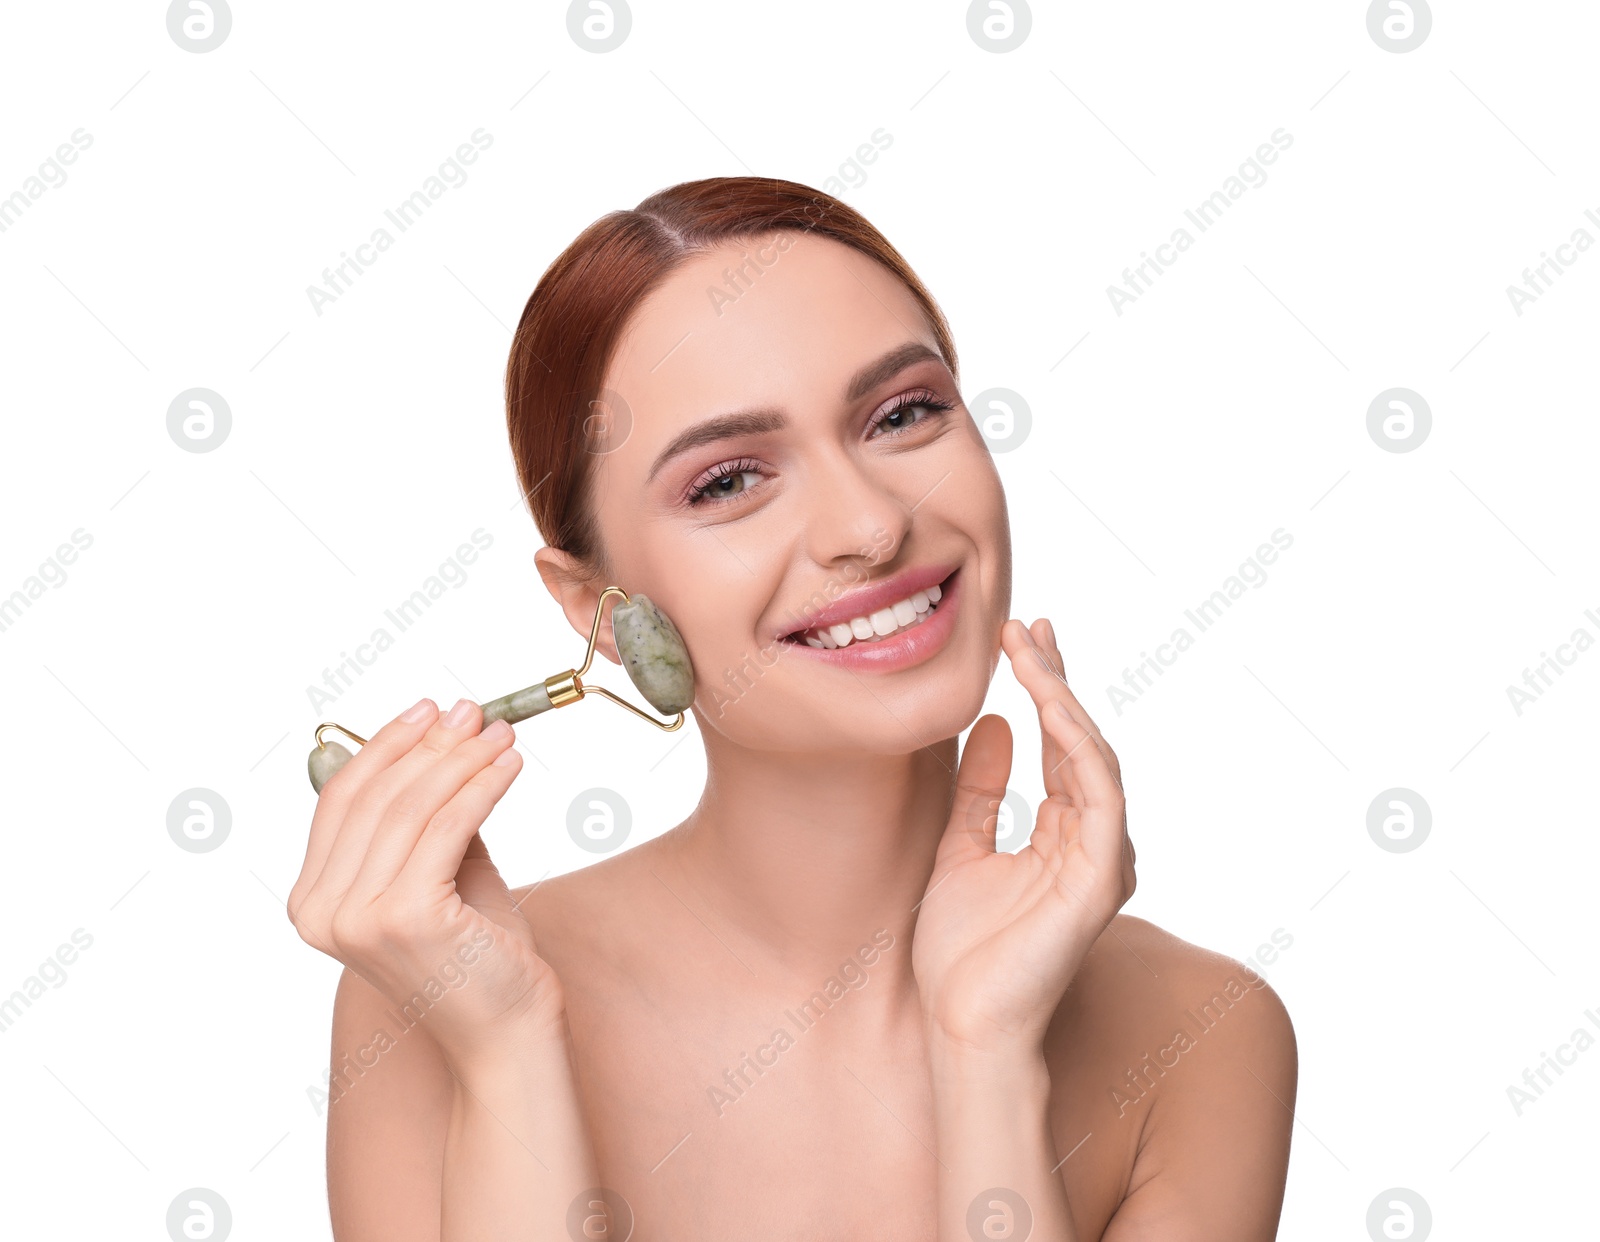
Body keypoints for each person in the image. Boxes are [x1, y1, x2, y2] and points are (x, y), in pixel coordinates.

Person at [288, 176, 1297, 1241]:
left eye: (903, 415)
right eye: (727, 481)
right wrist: (506, 1056)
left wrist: (987, 1057)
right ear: (600, 611)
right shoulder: (436, 995)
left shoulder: (1201, 1034)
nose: (868, 525)